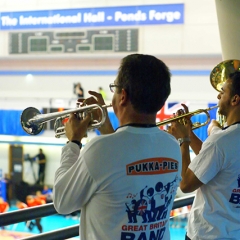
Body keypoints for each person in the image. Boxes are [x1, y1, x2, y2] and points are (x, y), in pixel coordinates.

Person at [53, 54, 182, 239]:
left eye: (114, 88)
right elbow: (123, 158)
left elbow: (62, 201)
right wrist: (105, 124)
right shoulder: (172, 145)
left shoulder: (100, 149)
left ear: (123, 96)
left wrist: (73, 142)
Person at [169, 71, 240, 239]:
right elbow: (212, 161)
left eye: (222, 91)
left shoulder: (220, 141)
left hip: (207, 234)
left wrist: (183, 141)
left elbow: (186, 185)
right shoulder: (222, 142)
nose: (218, 96)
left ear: (235, 99)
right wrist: (190, 134)